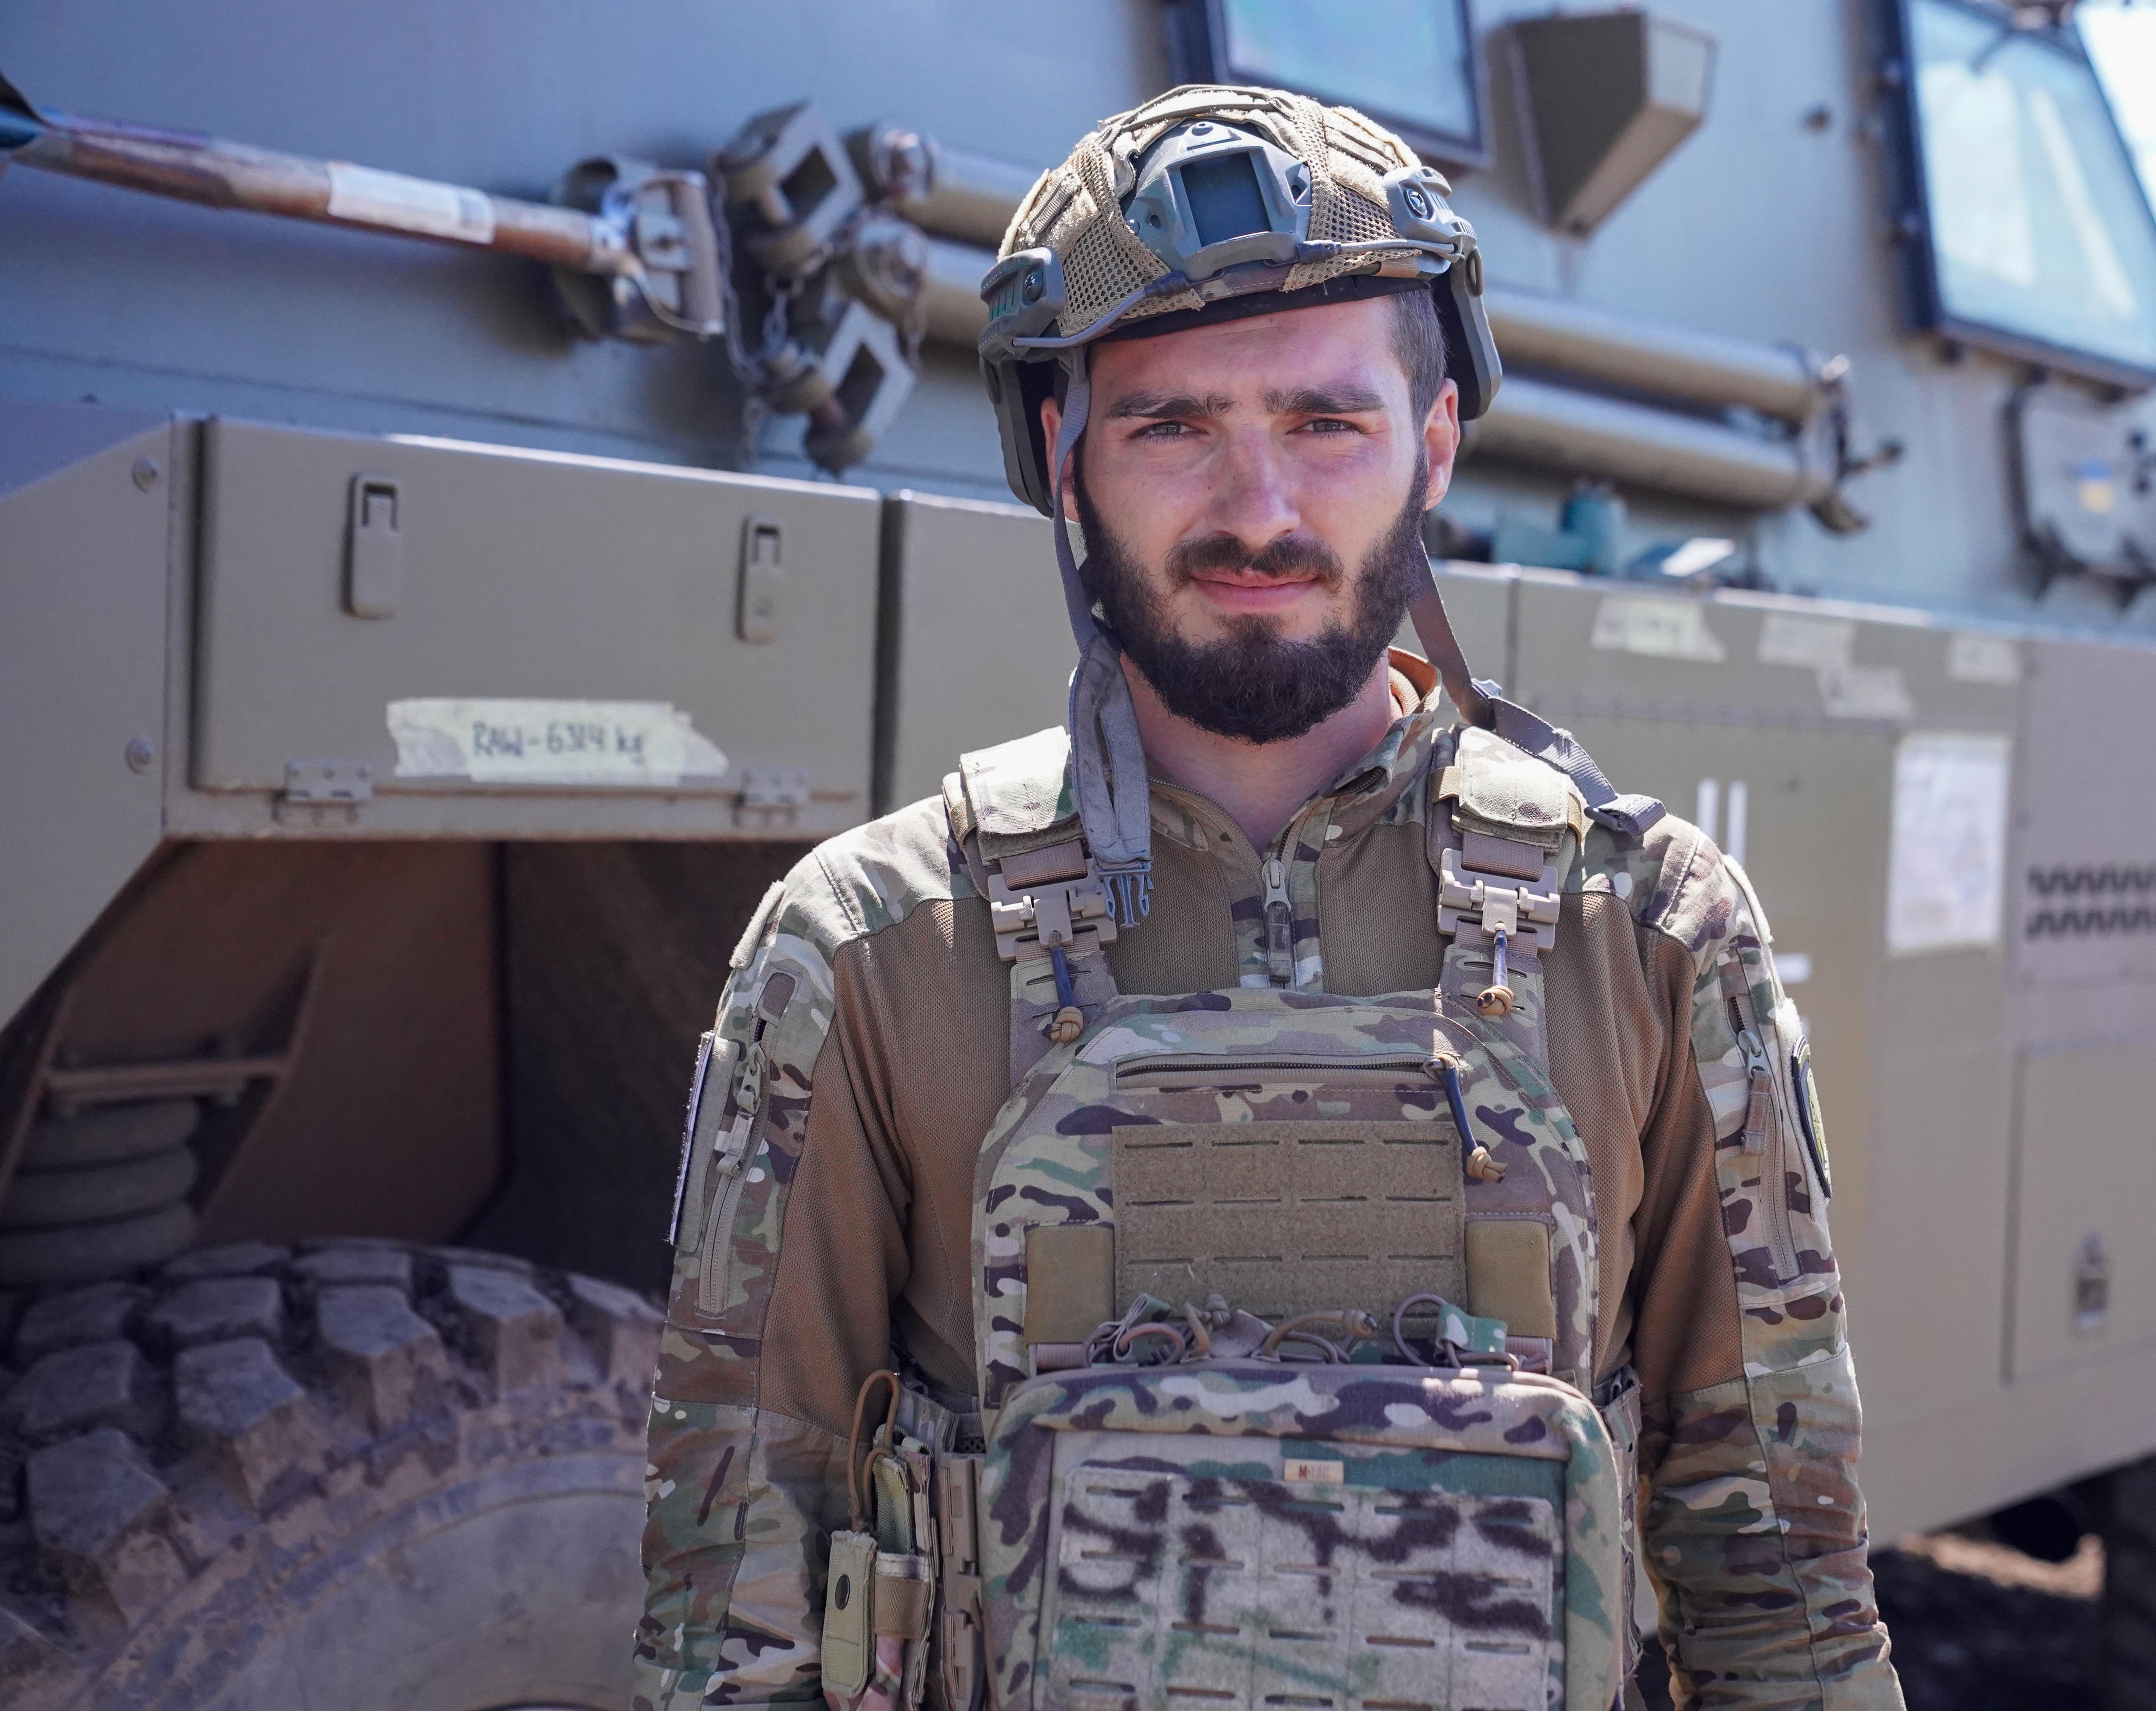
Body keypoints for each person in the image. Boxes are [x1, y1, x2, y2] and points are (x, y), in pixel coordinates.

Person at [636, 84, 1900, 1711]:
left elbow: (1783, 1597)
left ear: (1433, 448)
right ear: (1063, 460)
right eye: (1172, 426)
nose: (1258, 510)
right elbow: (732, 1613)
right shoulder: (867, 952)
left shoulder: (1649, 933)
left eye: (1325, 423)